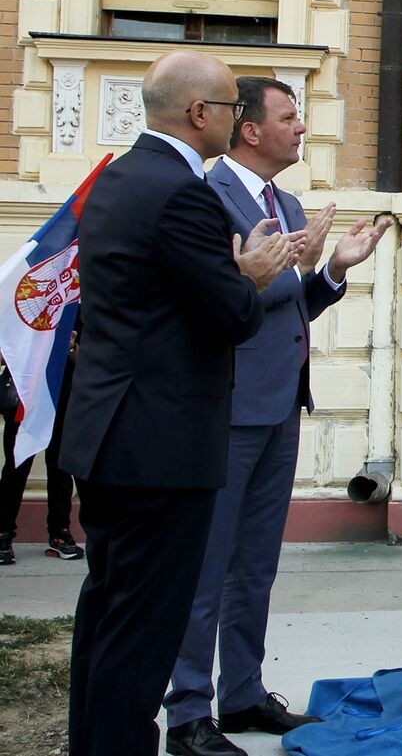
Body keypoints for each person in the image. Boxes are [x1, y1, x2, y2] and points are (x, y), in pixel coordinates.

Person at [58, 50, 297, 756]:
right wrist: (249, 274)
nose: (235, 119)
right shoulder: (182, 192)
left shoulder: (117, 178)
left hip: (109, 436)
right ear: (201, 114)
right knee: (143, 631)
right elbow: (229, 314)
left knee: (107, 615)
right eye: (229, 107)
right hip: (160, 448)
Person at [163, 77, 391, 756]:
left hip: (280, 405)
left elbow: (294, 304)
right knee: (207, 563)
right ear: (250, 129)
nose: (301, 127)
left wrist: (332, 273)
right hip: (226, 410)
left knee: (255, 564)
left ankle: (242, 694)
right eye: (289, 117)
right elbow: (214, 303)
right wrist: (264, 275)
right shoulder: (206, 197)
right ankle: (187, 712)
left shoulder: (284, 203)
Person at [0, 331, 82, 565]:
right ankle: (3, 533)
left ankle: (60, 532)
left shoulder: (72, 304)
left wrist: (70, 347)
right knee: (17, 463)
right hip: (26, 391)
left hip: (63, 392)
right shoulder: (22, 297)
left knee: (60, 466)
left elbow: (87, 358)